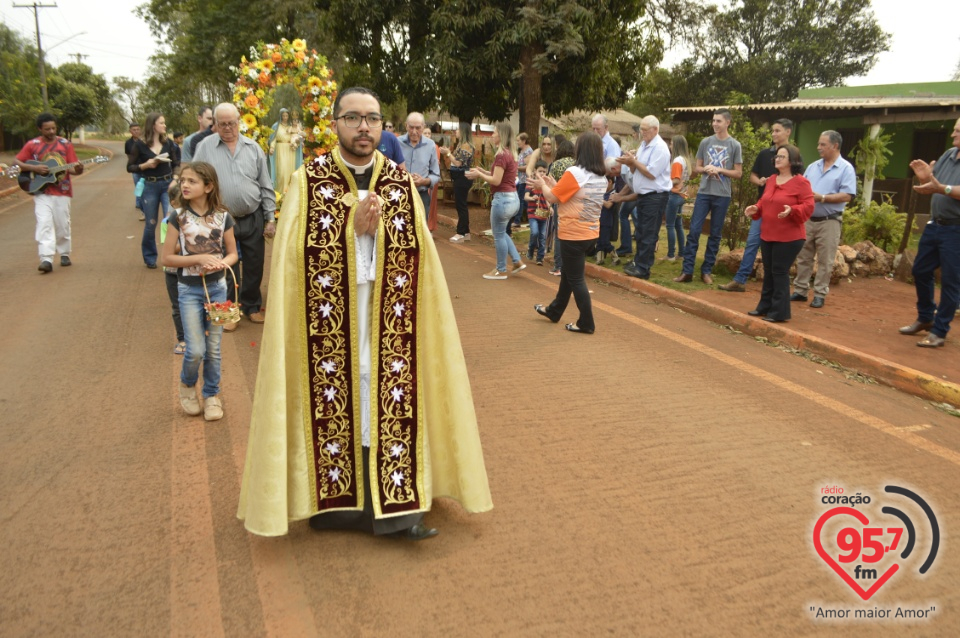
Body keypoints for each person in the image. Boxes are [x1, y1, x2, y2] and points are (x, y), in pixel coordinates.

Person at [237, 86, 492, 539]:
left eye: (372, 119)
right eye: (353, 118)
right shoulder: (308, 180)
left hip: (388, 317)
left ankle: (394, 507)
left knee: (387, 395)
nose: (363, 127)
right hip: (330, 321)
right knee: (341, 396)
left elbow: (422, 258)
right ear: (335, 123)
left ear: (382, 127)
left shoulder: (398, 180)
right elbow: (294, 260)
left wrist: (374, 240)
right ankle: (336, 504)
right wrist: (350, 234)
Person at [161, 162, 238, 421]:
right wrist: (199, 258)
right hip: (188, 290)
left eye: (192, 181)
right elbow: (167, 258)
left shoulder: (224, 217)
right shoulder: (177, 217)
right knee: (195, 349)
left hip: (218, 288)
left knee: (214, 347)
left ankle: (212, 395)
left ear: (208, 186)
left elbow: (233, 254)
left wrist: (220, 263)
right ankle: (187, 384)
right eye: (183, 180)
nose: (184, 185)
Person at [194, 103, 276, 330]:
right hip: (220, 219)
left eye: (232, 123)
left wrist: (270, 218)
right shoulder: (205, 148)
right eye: (222, 124)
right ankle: (229, 310)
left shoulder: (253, 148)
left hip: (252, 215)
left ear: (239, 122)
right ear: (216, 125)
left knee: (254, 264)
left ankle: (251, 306)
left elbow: (265, 184)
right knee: (224, 267)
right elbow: (195, 180)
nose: (228, 128)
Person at [531, 132, 606, 333]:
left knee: (575, 278)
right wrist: (553, 185)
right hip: (590, 233)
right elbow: (571, 195)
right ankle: (554, 311)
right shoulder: (600, 176)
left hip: (573, 233)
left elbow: (554, 198)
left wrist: (542, 186)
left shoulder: (576, 172)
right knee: (569, 274)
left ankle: (586, 323)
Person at [899, 117, 960, 348]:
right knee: (920, 270)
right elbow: (934, 183)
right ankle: (926, 317)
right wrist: (925, 178)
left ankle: (940, 330)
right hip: (936, 225)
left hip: (956, 228)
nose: (953, 135)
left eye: (957, 131)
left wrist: (940, 187)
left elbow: (942, 187)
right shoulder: (948, 155)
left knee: (950, 281)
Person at [720, 119, 794, 292]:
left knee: (777, 248)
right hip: (762, 207)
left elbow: (797, 181)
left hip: (782, 211)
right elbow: (752, 176)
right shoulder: (764, 154)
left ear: (788, 132)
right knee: (752, 242)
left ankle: (776, 284)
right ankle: (740, 280)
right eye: (773, 131)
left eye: (778, 131)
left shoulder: (794, 155)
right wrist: (760, 182)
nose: (774, 134)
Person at [743, 145, 814, 322]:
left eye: (782, 156)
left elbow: (809, 206)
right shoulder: (772, 179)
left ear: (792, 161)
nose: (777, 159)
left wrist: (793, 210)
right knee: (769, 272)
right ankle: (764, 306)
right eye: (777, 156)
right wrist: (756, 208)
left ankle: (779, 312)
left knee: (779, 272)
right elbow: (765, 201)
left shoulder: (801, 182)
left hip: (790, 237)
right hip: (768, 233)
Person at [675, 108, 743, 285]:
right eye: (713, 120)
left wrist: (719, 169)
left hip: (722, 195)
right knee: (695, 230)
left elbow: (738, 173)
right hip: (704, 192)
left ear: (728, 122)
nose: (714, 124)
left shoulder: (735, 145)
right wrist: (706, 169)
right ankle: (687, 271)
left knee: (715, 234)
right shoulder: (706, 142)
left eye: (718, 121)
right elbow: (696, 168)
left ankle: (706, 271)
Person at [791, 130, 856, 308]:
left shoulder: (846, 168)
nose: (818, 147)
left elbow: (847, 196)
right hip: (808, 219)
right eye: (819, 144)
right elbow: (802, 187)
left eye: (823, 144)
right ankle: (800, 290)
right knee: (804, 256)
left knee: (825, 260)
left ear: (835, 146)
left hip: (830, 220)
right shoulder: (812, 167)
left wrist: (823, 198)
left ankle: (819, 294)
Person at [14, 112, 84, 273]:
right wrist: (34, 168)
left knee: (62, 224)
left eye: (53, 128)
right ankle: (46, 258)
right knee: (44, 223)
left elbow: (73, 168)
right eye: (47, 129)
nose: (51, 131)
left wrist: (79, 169)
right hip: (41, 190)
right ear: (40, 129)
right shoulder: (33, 144)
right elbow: (17, 161)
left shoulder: (65, 144)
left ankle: (64, 253)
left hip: (62, 190)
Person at [467, 123, 525, 279]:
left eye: (494, 132)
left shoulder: (501, 155)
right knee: (502, 232)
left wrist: (479, 175)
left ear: (501, 136)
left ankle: (500, 269)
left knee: (498, 235)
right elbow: (499, 175)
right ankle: (517, 261)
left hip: (503, 199)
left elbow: (496, 180)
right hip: (513, 199)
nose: (492, 135)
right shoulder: (510, 154)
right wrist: (481, 171)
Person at [619, 115, 672, 280]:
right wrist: (631, 164)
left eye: (645, 130)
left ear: (655, 129)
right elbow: (638, 171)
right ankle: (638, 262)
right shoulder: (644, 145)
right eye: (641, 129)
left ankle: (643, 268)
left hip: (655, 196)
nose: (642, 133)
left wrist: (633, 162)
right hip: (643, 195)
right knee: (641, 231)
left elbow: (650, 173)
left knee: (649, 232)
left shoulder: (661, 148)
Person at [127, 112, 180, 269]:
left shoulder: (169, 143)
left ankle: (172, 256)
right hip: (149, 186)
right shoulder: (140, 145)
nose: (164, 126)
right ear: (153, 126)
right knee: (151, 223)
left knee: (171, 220)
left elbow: (176, 163)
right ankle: (150, 257)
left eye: (164, 123)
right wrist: (146, 165)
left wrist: (175, 180)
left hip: (167, 185)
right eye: (162, 123)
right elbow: (130, 167)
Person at [398, 112, 440, 222]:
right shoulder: (397, 143)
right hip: (400, 195)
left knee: (420, 233)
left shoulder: (431, 145)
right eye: (411, 127)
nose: (414, 131)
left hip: (421, 195)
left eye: (418, 128)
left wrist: (423, 181)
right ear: (406, 125)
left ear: (423, 127)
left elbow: (436, 174)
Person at [161, 178, 186, 355]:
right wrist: (187, 240)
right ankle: (182, 338)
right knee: (177, 306)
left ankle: (199, 333)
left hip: (191, 270)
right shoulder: (167, 222)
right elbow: (168, 249)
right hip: (172, 272)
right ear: (173, 203)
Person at [546, 140, 575, 276]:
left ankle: (558, 265)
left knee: (559, 234)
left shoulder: (555, 165)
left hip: (559, 201)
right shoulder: (576, 164)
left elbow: (551, 185)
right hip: (574, 202)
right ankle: (570, 266)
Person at [664, 134, 692, 261]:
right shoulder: (685, 160)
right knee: (678, 225)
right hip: (683, 195)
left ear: (676, 145)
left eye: (671, 143)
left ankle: (670, 255)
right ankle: (681, 253)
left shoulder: (676, 161)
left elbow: (675, 180)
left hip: (674, 195)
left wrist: (664, 182)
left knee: (670, 225)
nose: (670, 146)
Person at [441, 138, 475, 242]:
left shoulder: (466, 146)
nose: (456, 132)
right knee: (461, 205)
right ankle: (466, 232)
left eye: (458, 129)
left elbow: (458, 163)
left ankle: (460, 233)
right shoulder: (462, 144)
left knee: (461, 206)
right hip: (459, 177)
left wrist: (447, 153)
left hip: (462, 177)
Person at [525, 160, 551, 265]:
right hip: (533, 213)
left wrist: (550, 207)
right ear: (535, 171)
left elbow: (548, 198)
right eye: (540, 171)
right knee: (534, 232)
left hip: (543, 214)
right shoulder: (531, 183)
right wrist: (532, 198)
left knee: (542, 236)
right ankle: (531, 249)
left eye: (544, 172)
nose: (542, 174)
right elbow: (525, 197)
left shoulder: (546, 185)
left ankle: (540, 258)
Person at [511, 132, 534, 235]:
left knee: (520, 199)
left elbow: (528, 167)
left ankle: (517, 221)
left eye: (518, 140)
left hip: (526, 180)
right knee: (524, 201)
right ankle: (531, 218)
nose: (517, 142)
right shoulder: (522, 151)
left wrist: (516, 168)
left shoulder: (528, 152)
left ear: (524, 141)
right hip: (521, 179)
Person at [269, 108, 297, 192]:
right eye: (283, 115)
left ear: (288, 116)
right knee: (281, 171)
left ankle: (288, 192)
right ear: (281, 116)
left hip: (290, 150)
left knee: (289, 171)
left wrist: (295, 143)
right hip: (280, 149)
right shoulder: (276, 126)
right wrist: (272, 147)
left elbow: (294, 137)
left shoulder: (291, 126)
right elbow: (273, 138)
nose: (285, 117)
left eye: (286, 115)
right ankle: (279, 191)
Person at [124, 122, 144, 219]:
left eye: (138, 129)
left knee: (146, 187)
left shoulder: (144, 141)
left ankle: (144, 206)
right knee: (138, 187)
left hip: (145, 168)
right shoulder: (128, 143)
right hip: (135, 169)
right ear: (130, 131)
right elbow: (129, 155)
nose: (136, 131)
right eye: (134, 130)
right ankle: (139, 205)